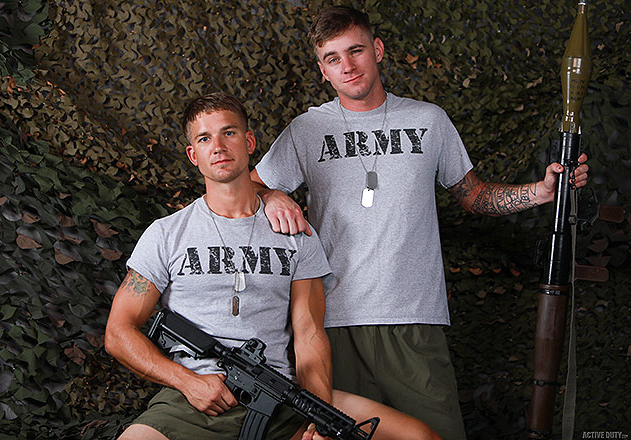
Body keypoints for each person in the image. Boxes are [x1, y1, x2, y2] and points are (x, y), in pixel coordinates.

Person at [249, 6, 589, 440]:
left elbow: (474, 195)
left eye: (355, 51)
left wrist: (540, 191)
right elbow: (247, 187)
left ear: (377, 49)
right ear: (323, 71)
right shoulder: (306, 130)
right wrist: (272, 193)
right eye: (333, 58)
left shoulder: (429, 121)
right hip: (333, 322)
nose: (347, 65)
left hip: (415, 319)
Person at [105, 92, 440, 440]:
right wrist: (187, 381)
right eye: (204, 139)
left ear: (249, 142)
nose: (218, 147)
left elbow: (309, 335)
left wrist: (318, 420)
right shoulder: (166, 234)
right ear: (193, 155)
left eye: (229, 132)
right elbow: (118, 332)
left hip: (280, 398)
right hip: (191, 403)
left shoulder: (295, 234)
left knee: (418, 436)